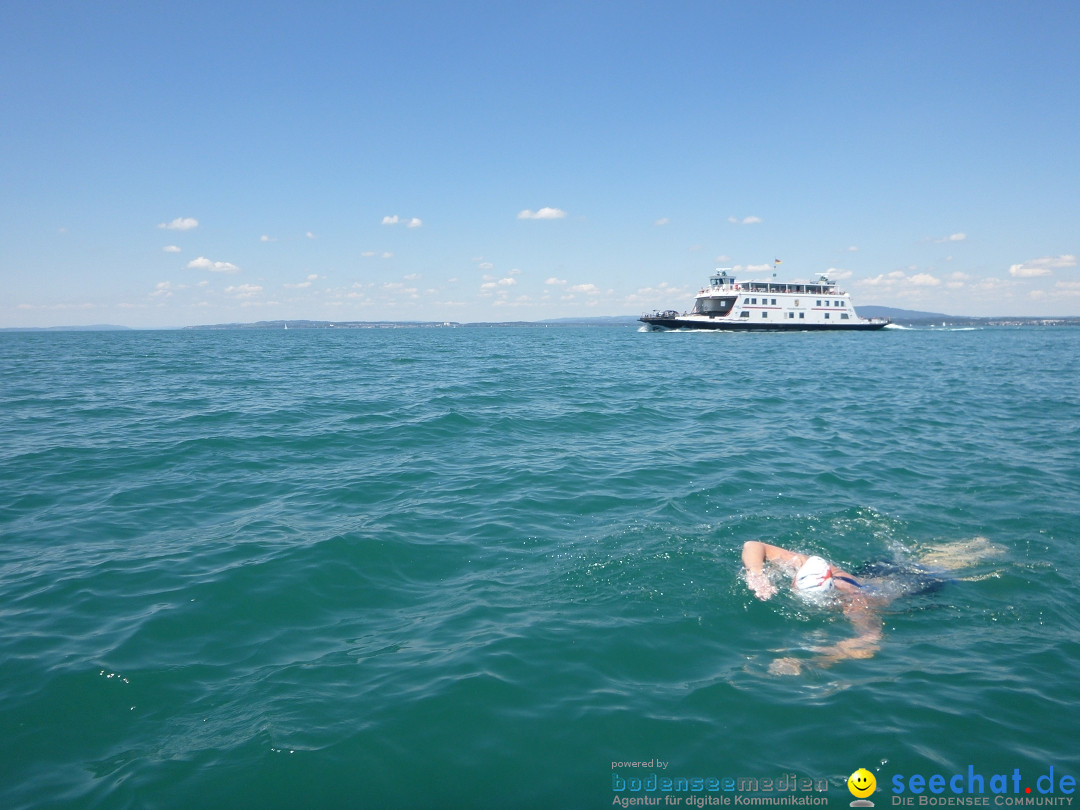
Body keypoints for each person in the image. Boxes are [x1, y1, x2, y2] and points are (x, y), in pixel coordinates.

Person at [741, 540, 884, 674]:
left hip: (899, 584)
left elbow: (870, 642)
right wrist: (756, 574)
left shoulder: (854, 605)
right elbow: (752, 545)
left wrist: (808, 663)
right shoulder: (821, 570)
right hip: (872, 572)